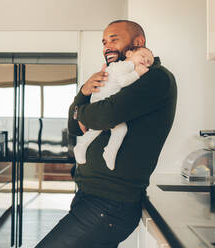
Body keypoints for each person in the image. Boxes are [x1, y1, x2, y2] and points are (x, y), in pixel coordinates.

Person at [35, 20, 177, 248]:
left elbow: (105, 116)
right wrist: (83, 93)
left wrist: (81, 112)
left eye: (114, 39)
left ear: (138, 42)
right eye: (104, 42)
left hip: (109, 204)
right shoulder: (111, 77)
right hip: (90, 197)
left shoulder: (156, 78)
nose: (106, 46)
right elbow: (74, 127)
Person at [73, 47, 154, 170]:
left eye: (149, 62)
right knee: (118, 129)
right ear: (129, 53)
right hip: (101, 101)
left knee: (105, 129)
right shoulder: (127, 66)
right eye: (143, 56)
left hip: (100, 100)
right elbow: (122, 82)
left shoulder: (127, 66)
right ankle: (106, 151)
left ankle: (94, 148)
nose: (145, 61)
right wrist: (137, 73)